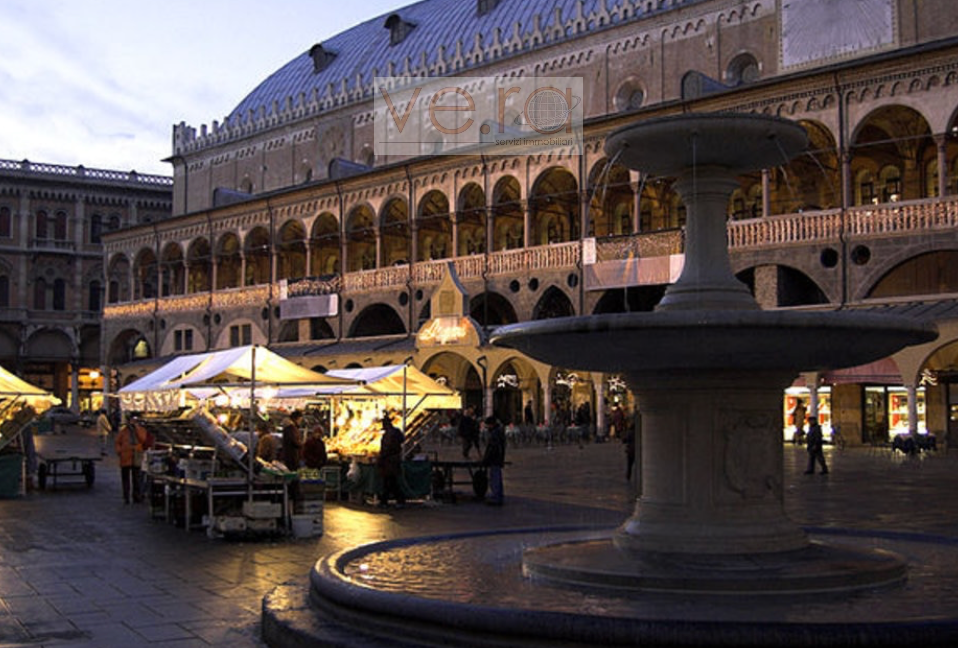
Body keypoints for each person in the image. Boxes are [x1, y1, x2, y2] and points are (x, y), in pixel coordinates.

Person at [115, 416, 148, 504]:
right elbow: (117, 442)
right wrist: (119, 451)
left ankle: (136, 496)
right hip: (125, 457)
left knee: (136, 478)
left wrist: (137, 429)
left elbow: (143, 439)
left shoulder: (141, 430)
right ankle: (126, 496)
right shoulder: (123, 431)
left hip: (136, 457)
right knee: (125, 478)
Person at [378, 415, 405, 508]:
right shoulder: (395, 432)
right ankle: (385, 500)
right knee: (389, 482)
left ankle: (395, 500)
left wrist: (381, 457)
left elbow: (387, 448)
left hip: (390, 461)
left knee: (390, 482)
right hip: (392, 461)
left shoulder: (390, 435)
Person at [481, 416, 506, 505]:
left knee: (495, 477)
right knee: (497, 477)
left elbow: (492, 448)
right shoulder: (499, 431)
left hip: (495, 459)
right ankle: (498, 496)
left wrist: (486, 458)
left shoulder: (495, 434)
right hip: (498, 458)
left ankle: (496, 497)